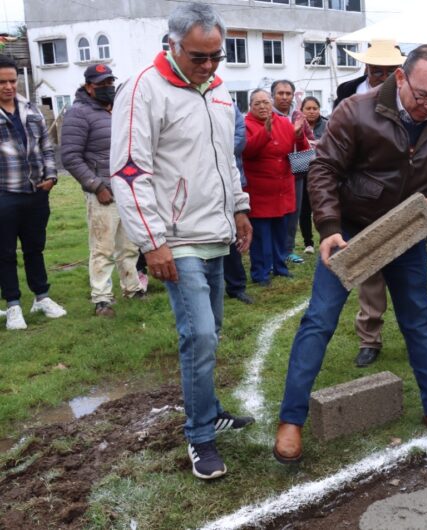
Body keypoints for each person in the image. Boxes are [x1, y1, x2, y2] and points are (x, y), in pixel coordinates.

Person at [274, 44, 427, 464]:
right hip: (350, 231)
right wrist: (328, 228)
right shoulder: (355, 110)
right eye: (424, 96)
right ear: (400, 78)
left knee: (418, 319)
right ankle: (291, 420)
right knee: (319, 319)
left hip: (406, 230)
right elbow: (323, 168)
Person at [110, 2, 255, 480]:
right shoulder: (142, 90)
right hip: (176, 238)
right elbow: (131, 173)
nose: (210, 66)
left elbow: (227, 158)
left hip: (216, 231)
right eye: (199, 56)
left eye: (217, 56)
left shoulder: (217, 91)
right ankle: (201, 435)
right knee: (201, 337)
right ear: (170, 44)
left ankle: (209, 410)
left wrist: (239, 207)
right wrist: (153, 242)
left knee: (209, 331)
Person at [334, 39, 407, 368]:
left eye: (388, 70)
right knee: (369, 271)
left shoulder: (408, 94)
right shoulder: (346, 92)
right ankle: (370, 338)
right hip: (360, 196)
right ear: (366, 67)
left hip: (401, 191)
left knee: (408, 273)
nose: (381, 76)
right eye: (376, 70)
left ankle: (414, 332)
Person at [61, 64, 145, 318]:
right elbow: (70, 157)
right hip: (103, 191)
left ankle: (133, 288)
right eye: (102, 84)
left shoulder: (117, 110)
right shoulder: (79, 114)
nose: (108, 88)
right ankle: (102, 298)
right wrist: (96, 186)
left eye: (110, 82)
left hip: (127, 188)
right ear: (89, 87)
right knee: (103, 247)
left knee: (129, 245)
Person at [0, 54, 66, 330]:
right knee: (4, 253)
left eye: (13, 80)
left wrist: (51, 176)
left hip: (37, 192)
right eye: (2, 82)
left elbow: (47, 146)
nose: (8, 87)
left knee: (34, 248)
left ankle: (41, 296)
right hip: (5, 193)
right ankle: (13, 305)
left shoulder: (31, 110)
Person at [243, 89, 308, 285]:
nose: (262, 107)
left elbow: (303, 154)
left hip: (283, 188)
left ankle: (280, 266)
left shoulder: (283, 122)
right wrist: (265, 132)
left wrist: (298, 135)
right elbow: (247, 152)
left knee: (281, 231)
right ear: (250, 107)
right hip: (259, 190)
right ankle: (260, 273)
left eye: (265, 102)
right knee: (261, 235)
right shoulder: (246, 124)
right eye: (257, 104)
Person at [272, 79, 313, 266]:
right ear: (273, 95)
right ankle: (273, 252)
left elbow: (310, 139)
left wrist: (303, 136)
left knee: (294, 212)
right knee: (275, 213)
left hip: (297, 168)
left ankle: (287, 250)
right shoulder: (267, 115)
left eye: (288, 94)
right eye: (280, 93)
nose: (284, 97)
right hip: (274, 171)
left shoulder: (298, 115)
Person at [224, 104, 253, 304]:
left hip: (230, 179)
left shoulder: (226, 104)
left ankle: (236, 286)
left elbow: (239, 139)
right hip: (195, 184)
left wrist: (215, 151)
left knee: (233, 234)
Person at [296, 96, 326, 257]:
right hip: (302, 169)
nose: (312, 111)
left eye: (315, 108)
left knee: (322, 207)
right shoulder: (297, 126)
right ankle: (308, 242)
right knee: (304, 209)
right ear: (302, 111)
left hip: (322, 172)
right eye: (308, 108)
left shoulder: (328, 125)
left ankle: (325, 238)